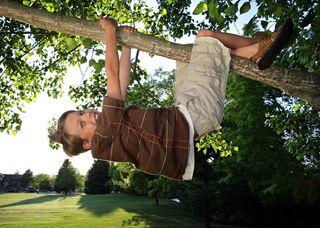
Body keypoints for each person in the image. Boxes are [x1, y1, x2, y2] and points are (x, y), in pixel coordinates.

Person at [49, 17, 293, 180]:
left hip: (184, 111)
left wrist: (127, 45)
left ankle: (254, 53)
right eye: (82, 124)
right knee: (206, 37)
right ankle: (261, 44)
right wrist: (110, 31)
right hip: (196, 113)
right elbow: (112, 74)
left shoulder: (109, 137)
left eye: (81, 112)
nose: (88, 115)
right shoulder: (105, 134)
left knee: (189, 55)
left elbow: (121, 84)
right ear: (88, 143)